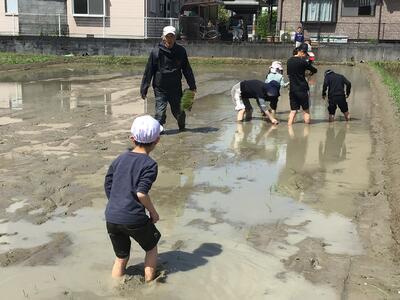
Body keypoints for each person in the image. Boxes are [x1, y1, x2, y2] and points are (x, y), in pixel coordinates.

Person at [104, 115, 162, 282]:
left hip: (112, 216)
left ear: (132, 138)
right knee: (151, 248)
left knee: (121, 257)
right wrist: (153, 213)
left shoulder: (120, 158)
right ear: (157, 140)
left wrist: (116, 202)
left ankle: (115, 287)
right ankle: (151, 285)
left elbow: (108, 184)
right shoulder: (150, 164)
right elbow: (141, 193)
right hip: (134, 218)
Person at [140, 26, 196, 132]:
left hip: (175, 88)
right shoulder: (156, 52)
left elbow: (187, 70)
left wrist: (192, 86)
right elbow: (148, 71)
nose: (170, 39)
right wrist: (144, 88)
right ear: (163, 37)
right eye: (167, 36)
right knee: (160, 113)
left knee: (179, 114)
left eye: (172, 36)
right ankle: (157, 133)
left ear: (175, 38)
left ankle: (182, 129)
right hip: (160, 88)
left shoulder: (181, 51)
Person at [286, 46, 317, 125]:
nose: (305, 55)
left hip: (292, 89)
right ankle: (307, 130)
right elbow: (314, 70)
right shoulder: (303, 62)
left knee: (293, 111)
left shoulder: (289, 61)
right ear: (301, 52)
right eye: (304, 54)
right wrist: (310, 61)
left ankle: (289, 127)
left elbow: (290, 74)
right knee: (306, 111)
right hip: (302, 89)